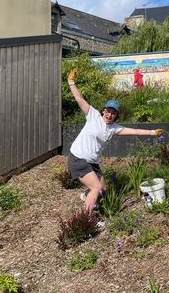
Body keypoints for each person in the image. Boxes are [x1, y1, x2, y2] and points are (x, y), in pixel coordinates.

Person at [66, 68, 163, 213]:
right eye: (108, 111)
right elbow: (79, 99)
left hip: (91, 161)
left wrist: (152, 132)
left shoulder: (114, 128)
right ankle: (86, 218)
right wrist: (71, 82)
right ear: (103, 111)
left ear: (116, 116)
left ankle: (87, 197)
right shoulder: (93, 115)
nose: (110, 115)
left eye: (113, 113)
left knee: (103, 189)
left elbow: (135, 131)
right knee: (96, 188)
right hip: (78, 158)